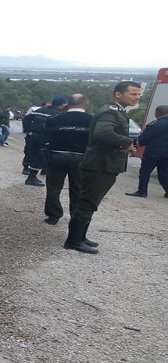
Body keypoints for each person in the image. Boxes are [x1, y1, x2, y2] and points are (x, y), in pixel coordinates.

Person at [63, 81, 141, 254]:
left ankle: (81, 237)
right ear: (118, 95)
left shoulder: (117, 112)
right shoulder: (110, 112)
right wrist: (127, 142)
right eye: (133, 94)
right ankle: (74, 240)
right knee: (87, 203)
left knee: (90, 202)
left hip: (103, 164)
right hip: (99, 164)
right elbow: (103, 133)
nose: (137, 98)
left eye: (139, 94)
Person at [42, 94, 92, 225]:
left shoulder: (54, 119)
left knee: (53, 188)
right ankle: (75, 217)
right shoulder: (92, 120)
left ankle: (53, 216)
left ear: (67, 104)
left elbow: (46, 133)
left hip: (56, 156)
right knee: (78, 189)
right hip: (80, 158)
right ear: (86, 105)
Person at [125, 104, 168, 198]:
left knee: (145, 172)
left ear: (158, 112)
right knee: (164, 173)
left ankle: (142, 191)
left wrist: (139, 142)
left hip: (153, 153)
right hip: (166, 155)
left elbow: (143, 139)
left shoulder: (155, 124)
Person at [22, 96, 67, 185]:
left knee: (30, 153)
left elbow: (26, 118)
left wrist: (28, 131)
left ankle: (28, 169)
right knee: (40, 156)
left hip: (33, 136)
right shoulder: (58, 114)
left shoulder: (40, 110)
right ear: (62, 104)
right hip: (45, 138)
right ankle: (31, 177)